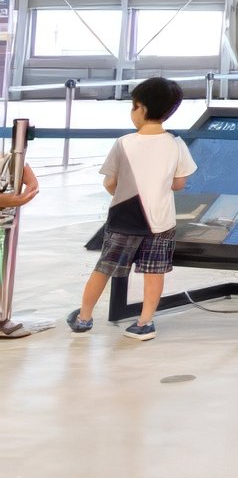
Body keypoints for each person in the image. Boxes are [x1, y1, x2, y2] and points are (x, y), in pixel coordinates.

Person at [66, 77, 197, 340]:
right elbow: (180, 183)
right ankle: (145, 322)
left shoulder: (123, 143)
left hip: (124, 220)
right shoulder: (176, 143)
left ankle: (84, 317)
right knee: (154, 272)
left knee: (104, 268)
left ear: (140, 107)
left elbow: (110, 182)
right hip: (161, 221)